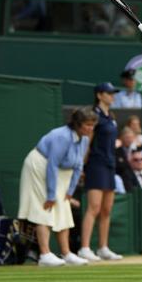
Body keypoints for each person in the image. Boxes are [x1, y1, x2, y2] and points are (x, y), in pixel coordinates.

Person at [18, 107, 98, 267]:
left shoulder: (84, 139)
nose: (90, 128)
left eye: (92, 125)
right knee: (45, 207)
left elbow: (78, 165)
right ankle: (45, 255)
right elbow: (52, 165)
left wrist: (70, 191)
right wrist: (50, 194)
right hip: (39, 166)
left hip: (58, 172)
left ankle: (67, 253)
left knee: (63, 208)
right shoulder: (62, 136)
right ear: (77, 124)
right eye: (87, 125)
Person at [78, 83, 123, 262]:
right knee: (94, 207)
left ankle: (103, 248)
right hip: (96, 164)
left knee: (106, 209)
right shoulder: (94, 116)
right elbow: (87, 142)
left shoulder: (111, 116)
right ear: (99, 95)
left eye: (113, 93)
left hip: (110, 165)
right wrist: (81, 165)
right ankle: (84, 248)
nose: (113, 96)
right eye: (109, 93)